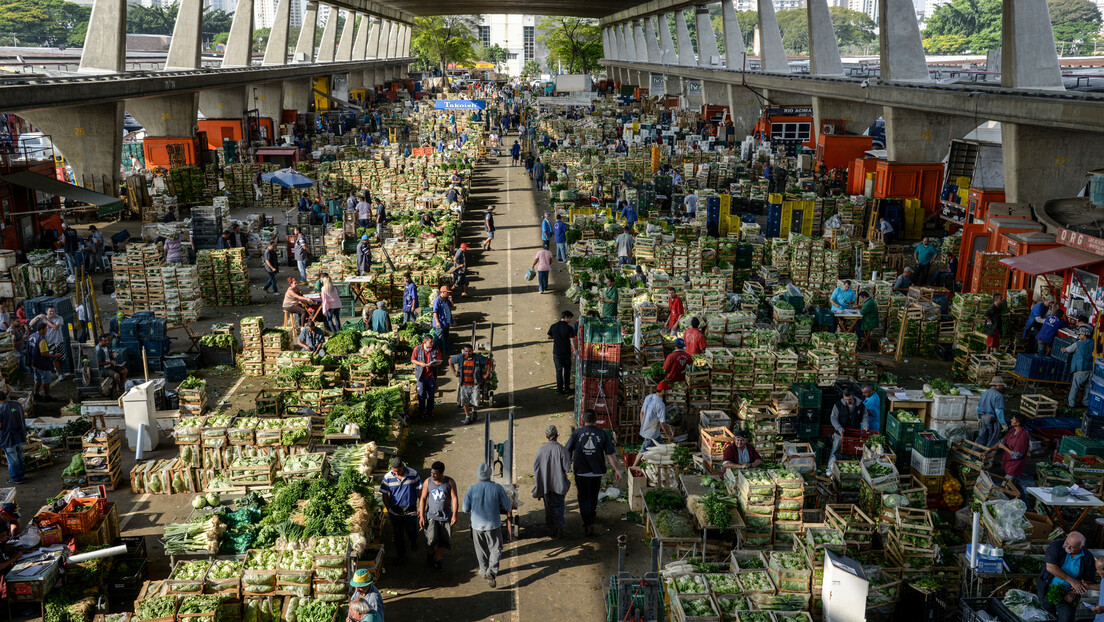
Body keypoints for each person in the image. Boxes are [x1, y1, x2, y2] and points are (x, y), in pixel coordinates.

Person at [565, 410, 622, 537]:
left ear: (583, 420)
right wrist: (617, 470)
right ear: (596, 420)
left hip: (581, 472)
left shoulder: (577, 433)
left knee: (583, 497)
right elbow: (611, 455)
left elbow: (567, 449)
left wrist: (569, 461)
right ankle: (592, 514)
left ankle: (587, 523)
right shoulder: (602, 433)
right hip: (596, 472)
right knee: (593, 495)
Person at [462, 463, 513, 588]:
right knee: (495, 548)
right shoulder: (497, 488)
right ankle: (492, 570)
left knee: (480, 549)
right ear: (490, 474)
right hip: (493, 524)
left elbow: (465, 509)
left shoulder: (471, 488)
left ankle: (484, 571)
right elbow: (508, 507)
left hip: (476, 525)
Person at [1037, 532, 1096, 622]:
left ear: (1081, 547)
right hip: (1046, 590)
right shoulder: (1056, 545)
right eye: (1066, 543)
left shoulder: (1088, 558)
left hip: (1068, 596)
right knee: (1044, 617)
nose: (1067, 547)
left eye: (1072, 547)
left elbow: (1089, 580)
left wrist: (1074, 592)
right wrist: (1073, 581)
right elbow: (1051, 567)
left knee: (1066, 618)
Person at [379, 457, 422, 564]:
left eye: (398, 471)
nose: (397, 473)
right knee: (397, 534)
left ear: (403, 466)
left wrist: (421, 505)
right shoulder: (388, 477)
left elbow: (420, 489)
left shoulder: (413, 474)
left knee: (411, 530)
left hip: (410, 509)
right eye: (394, 471)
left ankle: (413, 542)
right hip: (395, 511)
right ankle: (401, 554)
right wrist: (388, 509)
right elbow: (384, 494)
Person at [532, 424, 571, 538]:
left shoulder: (540, 450)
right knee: (559, 506)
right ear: (557, 436)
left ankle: (550, 529)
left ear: (546, 437)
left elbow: (536, 469)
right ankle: (560, 525)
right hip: (559, 485)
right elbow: (567, 468)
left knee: (548, 507)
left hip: (545, 485)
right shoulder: (562, 449)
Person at [417, 461, 458, 571]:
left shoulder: (449, 482)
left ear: (442, 473)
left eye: (435, 473)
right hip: (431, 517)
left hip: (446, 517)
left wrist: (454, 514)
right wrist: (421, 515)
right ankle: (430, 552)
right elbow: (423, 499)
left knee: (444, 540)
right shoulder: (428, 482)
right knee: (430, 539)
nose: (433, 475)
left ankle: (437, 559)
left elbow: (454, 498)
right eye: (432, 473)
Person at [989, 412, 1031, 498]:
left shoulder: (1023, 436)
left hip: (1015, 466)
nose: (1011, 420)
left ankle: (1002, 505)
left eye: (1013, 419)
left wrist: (1004, 447)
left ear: (1018, 423)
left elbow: (1017, 455)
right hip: (1009, 463)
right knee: (1017, 486)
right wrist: (987, 452)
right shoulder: (1012, 431)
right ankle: (1026, 505)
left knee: (1005, 487)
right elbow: (1001, 442)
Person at [450, 344, 490, 425]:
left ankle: (474, 411)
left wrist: (487, 373)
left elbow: (489, 361)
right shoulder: (460, 357)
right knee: (465, 401)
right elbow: (450, 361)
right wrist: (454, 372)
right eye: (466, 351)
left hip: (475, 384)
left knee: (475, 401)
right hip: (464, 384)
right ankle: (467, 416)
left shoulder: (477, 358)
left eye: (469, 351)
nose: (467, 353)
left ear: (472, 351)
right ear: (463, 351)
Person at [828, 390, 867, 471]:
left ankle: (851, 469)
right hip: (840, 434)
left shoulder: (861, 405)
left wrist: (865, 426)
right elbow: (833, 418)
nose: (847, 401)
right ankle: (831, 468)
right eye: (845, 399)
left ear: (854, 396)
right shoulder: (838, 405)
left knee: (853, 452)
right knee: (835, 451)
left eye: (849, 399)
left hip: (853, 434)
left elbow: (865, 416)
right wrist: (839, 428)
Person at [27, 322, 60, 402]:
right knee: (46, 380)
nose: (47, 330)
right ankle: (46, 396)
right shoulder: (42, 340)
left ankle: (36, 394)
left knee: (37, 380)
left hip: (34, 363)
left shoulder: (31, 336)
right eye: (46, 329)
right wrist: (55, 356)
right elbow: (44, 353)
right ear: (41, 330)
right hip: (42, 364)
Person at [1065, 326, 1096, 408]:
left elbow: (1067, 350)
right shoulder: (1094, 342)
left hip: (1080, 369)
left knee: (1075, 386)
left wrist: (1063, 349)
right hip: (1091, 368)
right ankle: (1085, 402)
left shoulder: (1077, 344)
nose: (1079, 336)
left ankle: (1071, 403)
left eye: (1080, 334)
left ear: (1085, 335)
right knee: (1088, 387)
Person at [411, 335, 441, 418]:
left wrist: (434, 364)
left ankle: (430, 410)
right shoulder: (417, 349)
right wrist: (421, 364)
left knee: (431, 394)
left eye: (432, 342)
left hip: (431, 375)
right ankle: (421, 411)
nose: (432, 343)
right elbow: (413, 359)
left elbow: (439, 361)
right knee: (421, 394)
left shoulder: (435, 349)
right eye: (430, 342)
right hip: (421, 375)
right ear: (425, 342)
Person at [638, 382, 674, 452]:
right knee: (642, 453)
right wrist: (669, 436)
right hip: (651, 434)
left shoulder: (648, 397)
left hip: (653, 432)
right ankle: (634, 464)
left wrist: (643, 425)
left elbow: (641, 413)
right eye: (667, 390)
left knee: (663, 449)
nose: (668, 392)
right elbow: (662, 423)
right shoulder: (660, 404)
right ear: (663, 391)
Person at [547, 311, 576, 395]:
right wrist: (574, 350)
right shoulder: (569, 328)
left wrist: (555, 337)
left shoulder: (553, 326)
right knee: (567, 370)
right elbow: (572, 340)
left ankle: (559, 389)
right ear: (566, 317)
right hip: (566, 353)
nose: (570, 320)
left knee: (559, 371)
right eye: (570, 318)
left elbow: (549, 336)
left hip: (557, 353)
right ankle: (567, 387)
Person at [0, 390, 25, 485]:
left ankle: (16, 478)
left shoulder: (1, 408)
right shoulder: (17, 405)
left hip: (8, 438)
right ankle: (21, 475)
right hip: (19, 436)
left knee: (12, 459)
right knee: (19, 456)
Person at [976, 376, 1007, 447]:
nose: (1002, 387)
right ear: (997, 386)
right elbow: (998, 412)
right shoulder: (998, 395)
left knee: (981, 438)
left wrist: (979, 418)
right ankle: (987, 454)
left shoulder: (984, 393)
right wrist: (1003, 424)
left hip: (983, 417)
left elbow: (978, 408)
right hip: (991, 420)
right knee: (992, 439)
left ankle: (974, 453)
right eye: (1002, 385)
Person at [432, 286, 453, 354]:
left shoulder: (447, 300)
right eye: (447, 293)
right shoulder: (437, 301)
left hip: (447, 321)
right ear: (443, 292)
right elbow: (435, 312)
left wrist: (451, 300)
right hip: (441, 322)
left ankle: (445, 350)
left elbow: (452, 306)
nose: (449, 294)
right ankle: (433, 352)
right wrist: (437, 322)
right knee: (438, 338)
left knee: (446, 337)